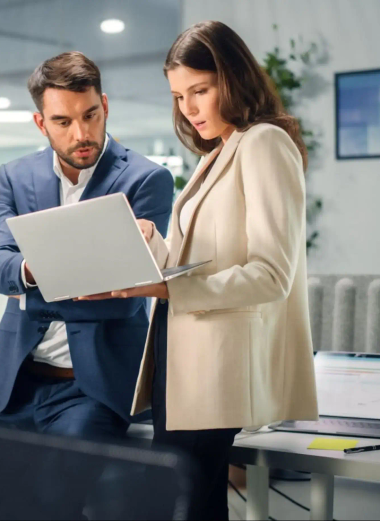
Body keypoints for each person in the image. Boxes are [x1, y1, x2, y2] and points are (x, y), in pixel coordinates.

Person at [80, 21, 318, 519]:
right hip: (182, 356)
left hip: (215, 365)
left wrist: (166, 291)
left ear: (231, 79)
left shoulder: (263, 143)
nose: (188, 107)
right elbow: (207, 259)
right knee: (194, 504)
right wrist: (153, 246)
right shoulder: (217, 153)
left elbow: (272, 275)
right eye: (178, 95)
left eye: (200, 90)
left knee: (185, 504)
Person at [0, 52, 174, 441]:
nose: (81, 133)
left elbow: (124, 297)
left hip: (92, 391)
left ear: (106, 106)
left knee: (58, 496)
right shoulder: (15, 177)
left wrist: (28, 291)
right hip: (12, 385)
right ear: (40, 123)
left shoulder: (146, 179)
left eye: (90, 115)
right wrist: (38, 271)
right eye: (63, 121)